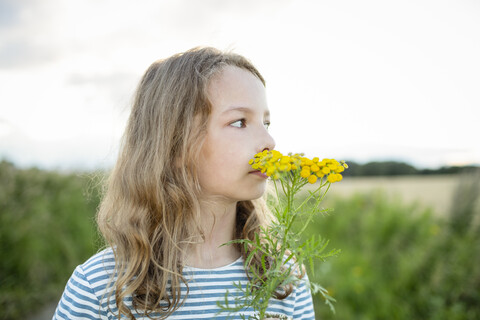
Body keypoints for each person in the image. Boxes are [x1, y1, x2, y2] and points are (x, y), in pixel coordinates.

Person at [53, 47, 315, 319]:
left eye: (266, 123)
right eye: (240, 122)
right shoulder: (100, 288)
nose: (269, 143)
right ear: (175, 145)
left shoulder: (284, 277)